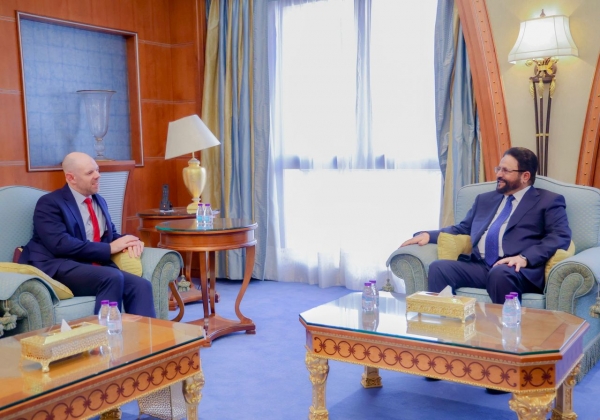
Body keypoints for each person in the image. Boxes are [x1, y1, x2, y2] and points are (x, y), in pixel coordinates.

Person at [400, 147, 571, 304]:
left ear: (525, 176)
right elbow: (462, 229)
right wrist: (429, 235)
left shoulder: (548, 201)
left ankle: (506, 327)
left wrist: (524, 257)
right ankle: (444, 324)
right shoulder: (484, 199)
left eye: (505, 170)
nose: (499, 175)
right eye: (498, 169)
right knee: (439, 268)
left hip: (516, 270)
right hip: (481, 266)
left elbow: (560, 236)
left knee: (500, 273)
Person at [19, 152, 156, 317]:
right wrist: (109, 249)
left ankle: (147, 334)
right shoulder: (49, 203)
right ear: (71, 178)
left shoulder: (99, 201)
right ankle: (104, 333)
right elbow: (60, 244)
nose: (98, 175)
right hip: (57, 265)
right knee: (112, 276)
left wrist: (131, 241)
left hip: (88, 266)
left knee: (141, 285)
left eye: (97, 170)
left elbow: (109, 235)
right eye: (90, 172)